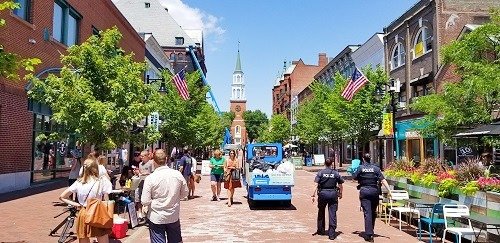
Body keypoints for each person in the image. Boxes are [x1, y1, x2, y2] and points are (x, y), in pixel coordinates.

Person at [59, 158, 113, 243]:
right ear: (95, 168)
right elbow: (107, 197)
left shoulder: (79, 182)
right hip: (97, 212)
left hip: (83, 211)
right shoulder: (101, 181)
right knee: (102, 237)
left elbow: (62, 196)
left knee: (83, 237)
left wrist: (76, 204)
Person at [141, 149, 188, 243]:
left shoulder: (150, 178)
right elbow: (184, 194)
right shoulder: (177, 174)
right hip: (173, 215)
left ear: (153, 161)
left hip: (156, 216)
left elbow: (145, 201)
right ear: (166, 159)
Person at [353, 153, 391, 242]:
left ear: (363, 159)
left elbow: (354, 177)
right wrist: (389, 191)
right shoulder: (376, 169)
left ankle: (369, 234)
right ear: (370, 159)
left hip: (365, 191)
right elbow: (383, 180)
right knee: (373, 212)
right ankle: (371, 230)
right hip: (374, 192)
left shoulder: (360, 168)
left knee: (367, 213)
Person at [311, 158, 344, 240]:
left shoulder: (321, 173)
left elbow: (315, 184)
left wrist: (313, 195)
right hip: (333, 193)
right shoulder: (336, 173)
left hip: (322, 193)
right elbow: (340, 185)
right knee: (332, 213)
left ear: (325, 164)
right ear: (331, 164)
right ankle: (331, 234)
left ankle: (321, 230)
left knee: (321, 211)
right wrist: (340, 193)